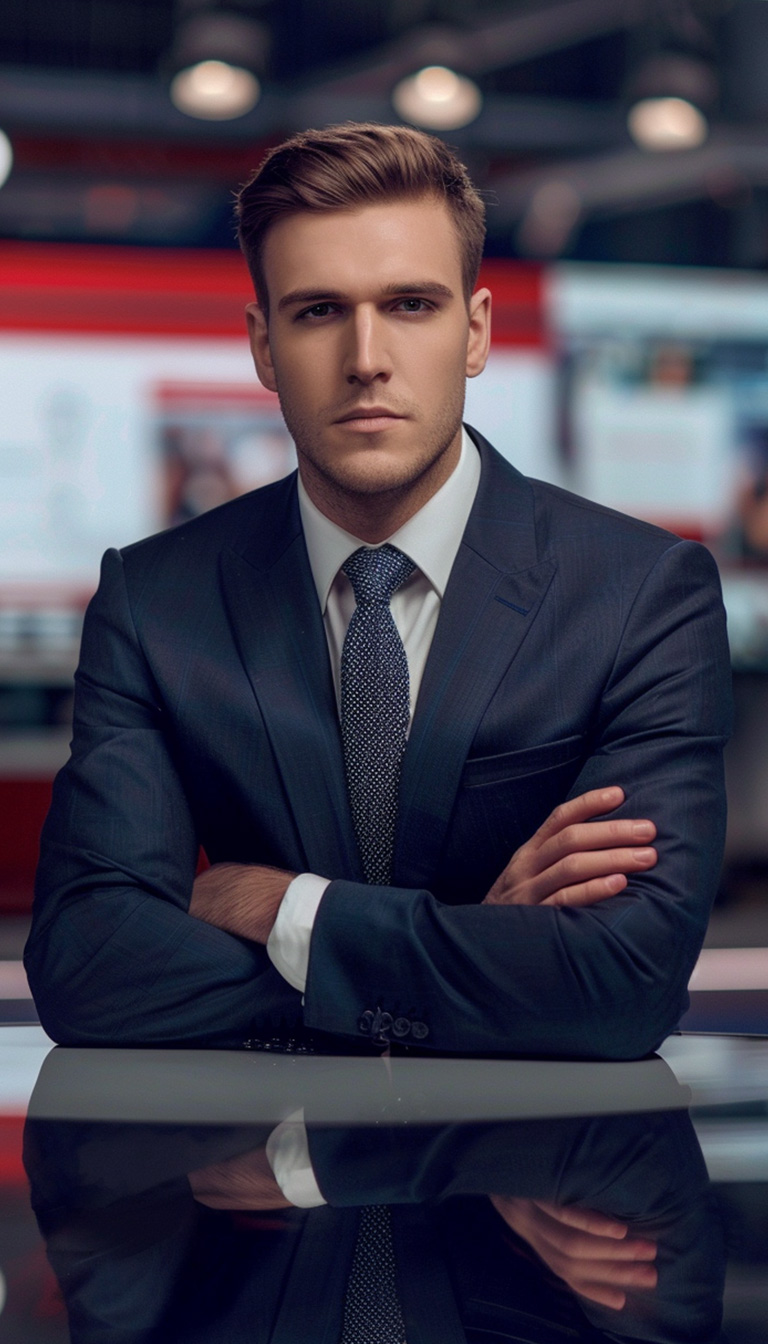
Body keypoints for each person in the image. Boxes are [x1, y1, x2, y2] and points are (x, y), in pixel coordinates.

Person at [26, 123, 732, 1058]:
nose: (366, 357)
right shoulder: (156, 603)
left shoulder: (640, 595)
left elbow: (623, 984)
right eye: (319, 311)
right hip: (272, 1183)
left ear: (475, 331)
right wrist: (475, 945)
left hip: (529, 1183)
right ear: (263, 346)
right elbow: (87, 970)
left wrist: (284, 910)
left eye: (409, 304)